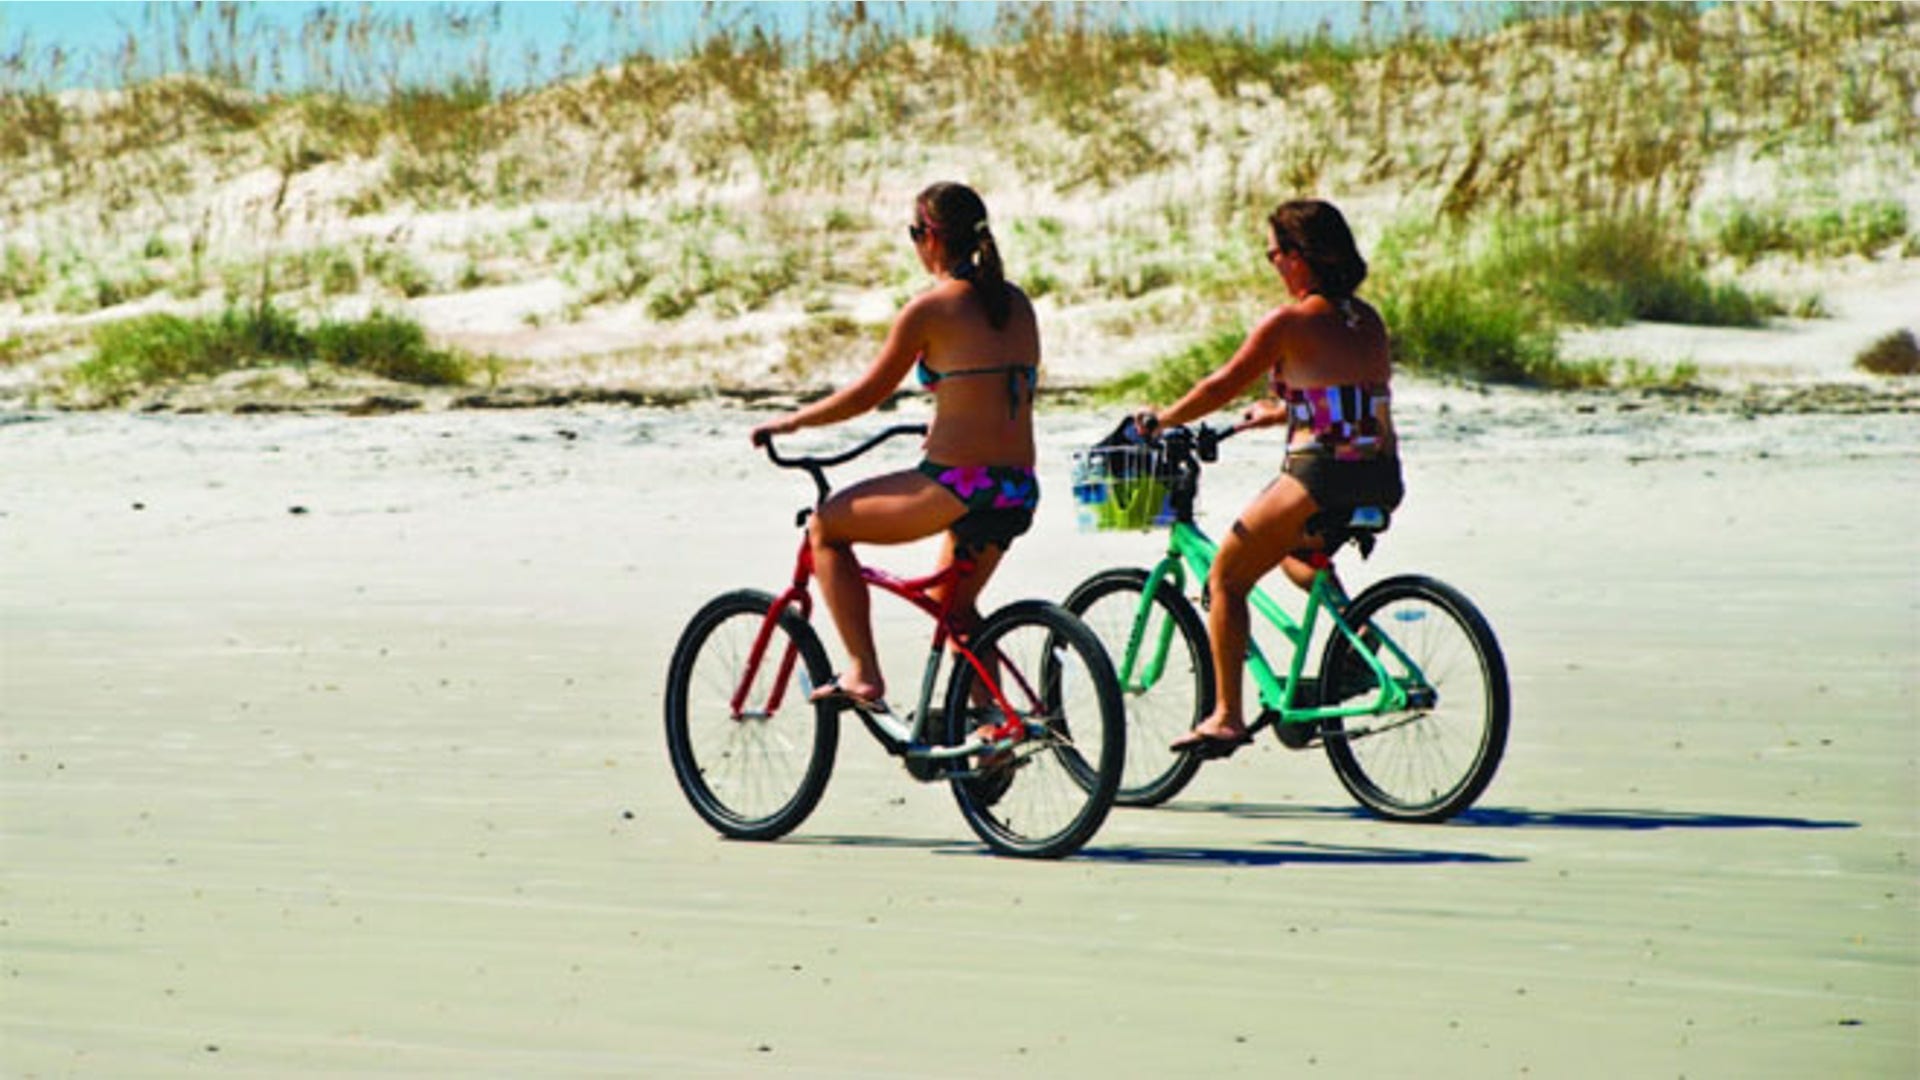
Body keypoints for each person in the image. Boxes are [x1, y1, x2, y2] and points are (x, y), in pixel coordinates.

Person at [750, 181, 1040, 715]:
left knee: (826, 528)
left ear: (930, 237)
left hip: (956, 485)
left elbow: (867, 394)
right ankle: (995, 725)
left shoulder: (930, 309)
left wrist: (791, 421)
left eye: (914, 233)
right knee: (953, 608)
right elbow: (1001, 389)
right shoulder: (1016, 303)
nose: (914, 244)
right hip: (1018, 487)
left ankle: (862, 672)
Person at [1131, 198, 1403, 758]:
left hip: (1321, 474)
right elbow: (1350, 394)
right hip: (1380, 476)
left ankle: (1227, 716)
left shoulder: (1290, 322)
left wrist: (1162, 419)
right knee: (1292, 555)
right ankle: (1357, 636)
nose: (1273, 264)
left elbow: (1219, 385)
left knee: (1226, 579)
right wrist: (1280, 413)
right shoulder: (1367, 318)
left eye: (1275, 253)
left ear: (1300, 258)